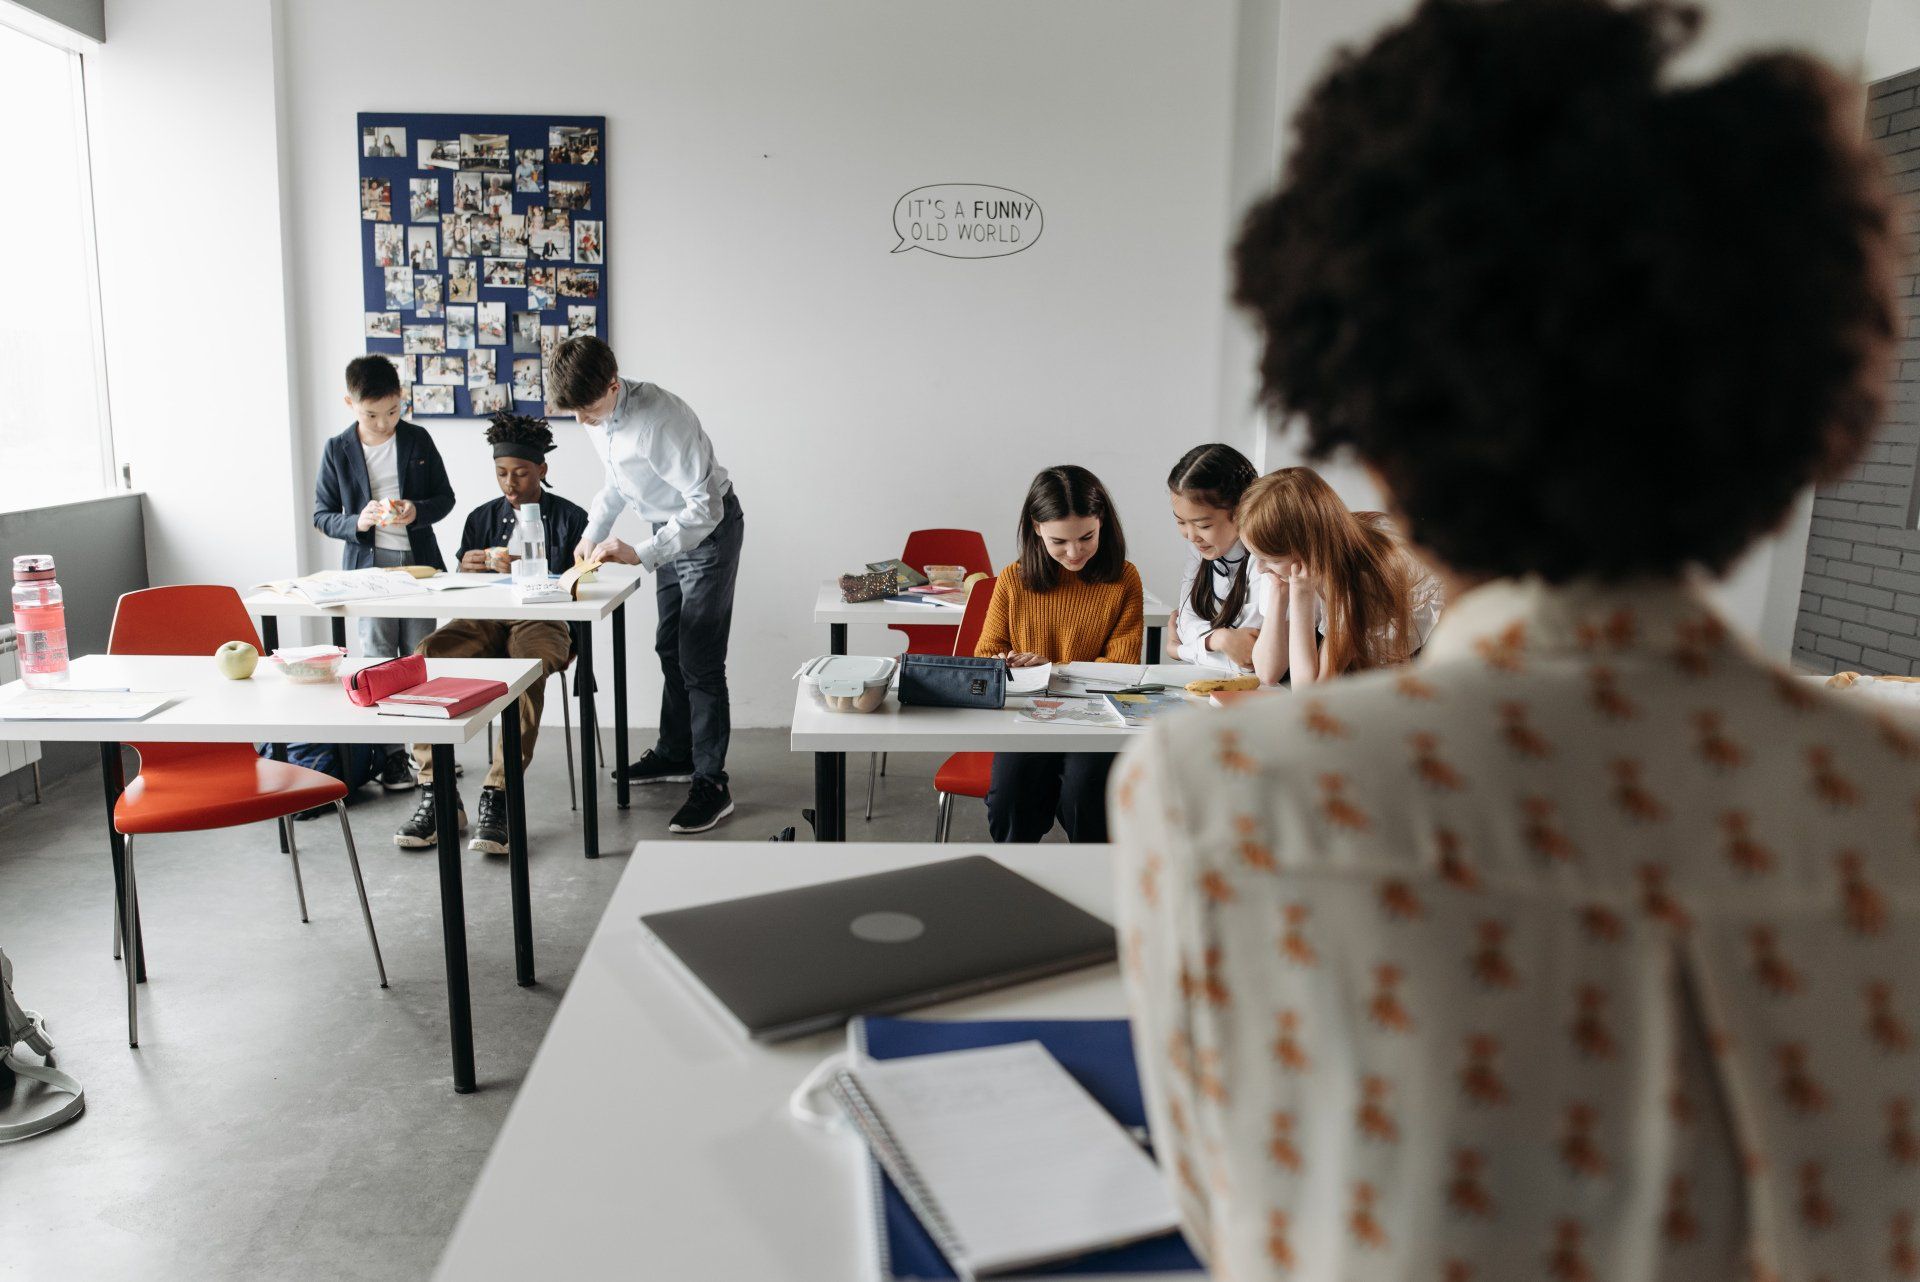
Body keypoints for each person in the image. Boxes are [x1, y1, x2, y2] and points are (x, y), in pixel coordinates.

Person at [1111, 2, 1907, 1279]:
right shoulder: (1893, 789)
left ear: (1369, 398)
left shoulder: (1225, 795)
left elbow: (1234, 1219)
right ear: (1801, 400)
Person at [550, 335, 745, 835]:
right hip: (667, 534)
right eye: (571, 412)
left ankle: (712, 783)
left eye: (585, 410)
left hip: (706, 535)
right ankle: (675, 754)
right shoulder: (599, 414)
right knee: (668, 648)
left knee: (700, 659)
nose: (580, 421)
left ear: (613, 385)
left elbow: (706, 508)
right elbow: (617, 481)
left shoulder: (663, 421)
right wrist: (591, 533)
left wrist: (641, 553)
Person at [394, 413, 587, 854]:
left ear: (542, 469)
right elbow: (457, 583)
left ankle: (498, 794)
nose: (510, 483)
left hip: (543, 620)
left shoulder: (572, 518)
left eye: (520, 473)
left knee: (525, 670)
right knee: (425, 657)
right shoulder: (480, 518)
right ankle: (436, 792)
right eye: (501, 473)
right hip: (481, 618)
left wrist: (533, 571)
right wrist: (467, 567)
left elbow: (584, 581)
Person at [975, 465, 1142, 843]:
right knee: (1009, 801)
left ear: (1102, 523)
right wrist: (1004, 665)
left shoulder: (1124, 579)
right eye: (1059, 542)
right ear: (1036, 528)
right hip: (1026, 716)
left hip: (1097, 718)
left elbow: (1123, 667)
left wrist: (1050, 671)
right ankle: (1017, 881)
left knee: (1087, 794)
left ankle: (1094, 882)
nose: (1074, 552)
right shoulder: (1013, 580)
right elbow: (985, 655)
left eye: (1086, 537)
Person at [312, 355, 455, 792]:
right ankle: (391, 757)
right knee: (378, 658)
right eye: (371, 414)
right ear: (350, 404)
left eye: (393, 411)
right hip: (367, 572)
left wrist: (415, 511)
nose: (384, 422)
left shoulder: (417, 439)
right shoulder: (338, 449)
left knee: (418, 655)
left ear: (402, 401)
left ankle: (427, 753)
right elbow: (322, 515)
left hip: (417, 569)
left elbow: (445, 498)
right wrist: (358, 521)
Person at [1237, 466, 1444, 686]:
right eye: (1256, 556)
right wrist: (1279, 591)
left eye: (1272, 559)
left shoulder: (1358, 581)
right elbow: (1267, 672)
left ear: (1309, 551)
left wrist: (1301, 595)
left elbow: (1307, 692)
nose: (1259, 568)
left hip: (1418, 670)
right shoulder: (1284, 565)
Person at [1166, 444, 1264, 673]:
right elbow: (1185, 623)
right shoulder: (1200, 549)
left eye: (1204, 525)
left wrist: (1178, 651)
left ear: (1242, 510)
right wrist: (1217, 640)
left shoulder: (1266, 560)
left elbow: (1248, 659)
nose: (1191, 536)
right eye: (1181, 522)